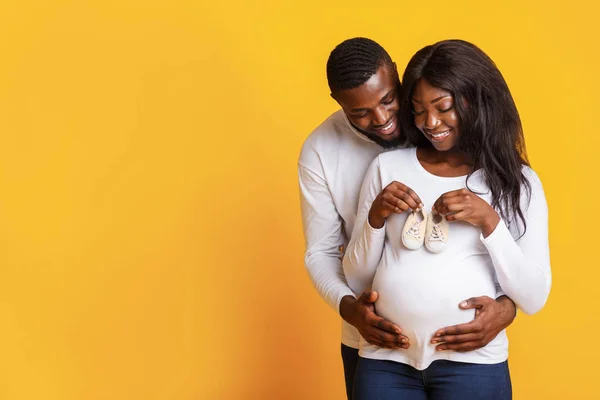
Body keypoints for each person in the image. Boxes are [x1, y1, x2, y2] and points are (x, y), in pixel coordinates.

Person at [298, 38, 518, 399]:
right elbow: (320, 251)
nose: (382, 120)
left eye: (388, 100)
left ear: (398, 77)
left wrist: (507, 308)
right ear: (339, 104)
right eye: (360, 113)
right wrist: (350, 309)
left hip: (466, 352)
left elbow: (509, 229)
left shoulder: (436, 125)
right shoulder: (321, 150)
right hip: (374, 346)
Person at [343, 39, 552, 399]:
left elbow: (533, 297)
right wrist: (375, 218)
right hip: (386, 362)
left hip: (473, 363)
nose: (430, 122)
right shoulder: (388, 167)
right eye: (418, 109)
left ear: (476, 101)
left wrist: (489, 221)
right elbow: (357, 277)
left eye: (442, 107)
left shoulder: (516, 182)